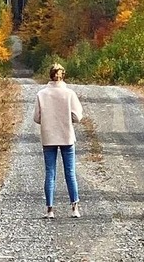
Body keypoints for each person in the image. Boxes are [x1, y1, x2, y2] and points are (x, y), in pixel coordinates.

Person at [33, 63, 83, 219]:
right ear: (63, 75)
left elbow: (36, 118)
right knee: (70, 173)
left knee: (50, 173)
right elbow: (77, 117)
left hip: (49, 137)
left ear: (50, 75)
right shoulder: (69, 94)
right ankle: (74, 208)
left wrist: (49, 121)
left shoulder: (41, 94)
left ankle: (50, 210)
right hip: (66, 136)